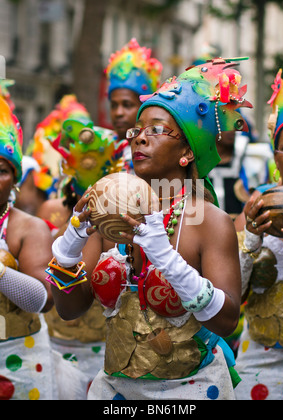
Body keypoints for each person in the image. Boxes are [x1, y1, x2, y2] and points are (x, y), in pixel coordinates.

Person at [49, 58, 253, 400]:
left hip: (192, 392)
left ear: (187, 150)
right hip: (114, 393)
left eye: (155, 130)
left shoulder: (210, 221)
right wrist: (69, 247)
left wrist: (165, 258)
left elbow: (227, 320)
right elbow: (70, 310)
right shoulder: (110, 211)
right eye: (137, 130)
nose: (140, 138)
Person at [36, 111, 126, 399]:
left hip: (104, 348)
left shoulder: (118, 221)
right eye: (82, 165)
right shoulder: (49, 210)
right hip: (53, 344)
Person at [235, 65, 283, 400]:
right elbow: (230, 295)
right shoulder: (256, 207)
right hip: (256, 364)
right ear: (274, 153)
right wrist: (251, 236)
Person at [0, 96, 57, 400]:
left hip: (18, 359)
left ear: (15, 180)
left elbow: (44, 299)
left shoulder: (29, 228)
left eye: (0, 171)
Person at [105, 38, 163, 172]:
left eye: (127, 105)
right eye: (114, 105)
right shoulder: (99, 148)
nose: (118, 113)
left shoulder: (160, 151)